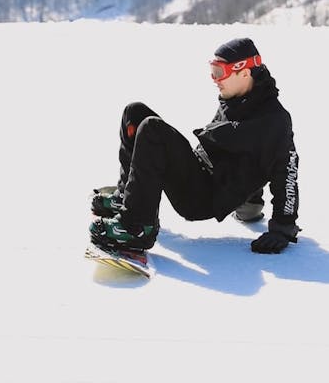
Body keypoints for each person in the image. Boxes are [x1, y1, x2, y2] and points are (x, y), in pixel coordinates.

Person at [89, 37, 300, 254]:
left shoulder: (275, 121)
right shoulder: (237, 97)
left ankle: (136, 228)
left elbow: (286, 171)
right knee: (134, 113)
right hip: (199, 174)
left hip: (203, 198)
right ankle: (127, 198)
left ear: (244, 72)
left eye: (219, 72)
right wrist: (251, 205)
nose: (214, 79)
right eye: (212, 70)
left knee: (152, 130)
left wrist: (282, 227)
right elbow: (240, 152)